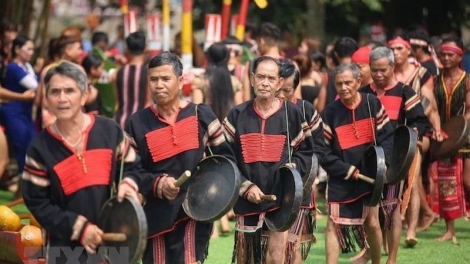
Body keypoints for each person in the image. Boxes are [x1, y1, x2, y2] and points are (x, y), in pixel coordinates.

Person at [21, 61, 142, 263]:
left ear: (84, 95)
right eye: (54, 92)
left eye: (69, 91)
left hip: (112, 243)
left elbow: (132, 166)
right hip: (65, 250)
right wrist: (78, 228)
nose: (62, 99)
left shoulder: (109, 131)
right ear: (47, 99)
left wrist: (129, 184)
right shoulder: (40, 149)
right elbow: (37, 202)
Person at [125, 51, 235, 264]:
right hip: (155, 216)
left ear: (180, 80)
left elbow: (224, 159)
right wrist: (158, 183)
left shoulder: (200, 114)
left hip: (194, 212)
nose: (159, 85)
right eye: (154, 79)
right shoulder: (137, 123)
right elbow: (131, 171)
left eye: (165, 79)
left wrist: (213, 195)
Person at [223, 56, 314, 264]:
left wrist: (295, 168)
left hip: (282, 196)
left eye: (271, 78)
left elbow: (306, 152)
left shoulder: (293, 114)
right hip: (246, 198)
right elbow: (223, 157)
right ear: (252, 79)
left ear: (279, 83)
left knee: (276, 255)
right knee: (246, 257)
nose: (265, 82)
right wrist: (245, 187)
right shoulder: (237, 114)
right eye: (261, 77)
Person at [355, 47, 430, 264]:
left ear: (392, 67)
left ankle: (392, 259)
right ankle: (369, 252)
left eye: (382, 70)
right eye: (374, 70)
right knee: (368, 211)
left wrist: (414, 134)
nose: (378, 74)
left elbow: (420, 122)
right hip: (367, 159)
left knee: (391, 210)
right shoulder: (363, 94)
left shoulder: (405, 92)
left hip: (394, 161)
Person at [320, 63, 394, 264]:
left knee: (372, 223)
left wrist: (382, 163)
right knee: (333, 224)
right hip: (341, 178)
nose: (343, 88)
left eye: (348, 83)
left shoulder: (372, 104)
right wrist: (344, 169)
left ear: (359, 82)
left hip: (370, 176)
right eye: (339, 84)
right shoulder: (330, 113)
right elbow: (322, 151)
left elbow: (387, 138)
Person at [387, 35, 442, 242]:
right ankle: (404, 219)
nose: (396, 52)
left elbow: (431, 107)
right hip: (393, 133)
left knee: (414, 176)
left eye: (400, 48)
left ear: (409, 51)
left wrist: (436, 128)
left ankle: (411, 230)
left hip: (418, 130)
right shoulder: (387, 75)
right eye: (392, 48)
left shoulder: (421, 74)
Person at [277, 59, 327, 264]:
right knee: (269, 246)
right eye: (277, 89)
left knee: (292, 243)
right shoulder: (260, 111)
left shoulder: (306, 110)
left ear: (295, 88)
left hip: (299, 185)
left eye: (287, 90)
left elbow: (319, 148)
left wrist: (307, 174)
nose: (281, 95)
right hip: (268, 187)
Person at [433, 36, 470, 243]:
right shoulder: (435, 79)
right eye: (443, 54)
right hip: (443, 137)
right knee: (446, 183)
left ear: (460, 56)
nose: (446, 58)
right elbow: (431, 108)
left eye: (450, 54)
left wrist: (458, 129)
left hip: (466, 135)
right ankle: (450, 230)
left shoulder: (467, 80)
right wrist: (439, 129)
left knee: (467, 181)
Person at [0, 35, 38, 183]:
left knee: (30, 145)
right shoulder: (13, 67)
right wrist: (23, 96)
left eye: (32, 49)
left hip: (25, 113)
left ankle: (24, 183)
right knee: (21, 146)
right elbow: (35, 86)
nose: (31, 52)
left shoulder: (27, 67)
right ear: (17, 49)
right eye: (28, 49)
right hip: (13, 111)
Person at [114, 31, 150, 128]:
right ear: (146, 48)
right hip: (141, 123)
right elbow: (148, 102)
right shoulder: (148, 73)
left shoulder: (118, 72)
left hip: (120, 121)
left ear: (127, 50)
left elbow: (117, 102)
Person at [242, 22, 283, 102]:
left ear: (261, 41)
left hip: (255, 113)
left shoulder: (252, 64)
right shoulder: (292, 65)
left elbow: (246, 97)